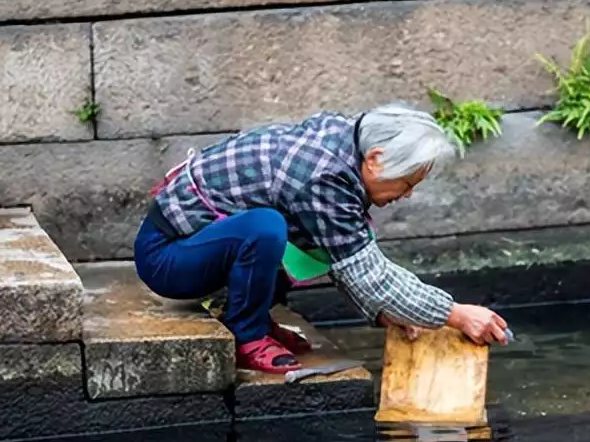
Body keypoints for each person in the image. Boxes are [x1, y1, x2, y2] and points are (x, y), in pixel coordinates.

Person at [134, 104, 510, 374]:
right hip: (168, 260)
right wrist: (455, 314)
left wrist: (393, 310)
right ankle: (246, 334)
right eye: (407, 182)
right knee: (265, 227)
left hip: (202, 247)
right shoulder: (324, 176)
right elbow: (368, 273)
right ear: (376, 159)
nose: (407, 194)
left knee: (301, 240)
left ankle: (257, 320)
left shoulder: (345, 142)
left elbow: (344, 260)